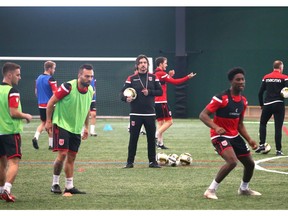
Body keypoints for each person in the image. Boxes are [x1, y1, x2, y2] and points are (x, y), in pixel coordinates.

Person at [199, 67, 261, 200]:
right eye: (238, 79)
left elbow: (240, 124)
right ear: (231, 82)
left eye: (243, 79)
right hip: (219, 136)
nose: (241, 82)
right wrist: (216, 127)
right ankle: (210, 190)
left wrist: (249, 140)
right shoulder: (220, 98)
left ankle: (244, 189)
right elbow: (203, 115)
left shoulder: (243, 102)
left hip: (234, 136)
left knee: (250, 164)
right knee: (232, 161)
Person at [45, 64, 94, 194]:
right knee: (62, 154)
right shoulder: (68, 87)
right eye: (87, 76)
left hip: (76, 128)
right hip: (62, 124)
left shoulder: (90, 90)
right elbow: (50, 103)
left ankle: (69, 186)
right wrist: (48, 121)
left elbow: (86, 109)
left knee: (72, 157)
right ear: (79, 75)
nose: (89, 79)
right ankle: (55, 183)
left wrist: (86, 127)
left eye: (91, 76)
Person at [121, 54, 163, 168]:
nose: (143, 64)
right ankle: (130, 162)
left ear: (148, 65)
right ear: (137, 65)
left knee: (151, 138)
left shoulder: (154, 77)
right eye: (140, 63)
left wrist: (149, 92)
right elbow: (122, 94)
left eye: (145, 62)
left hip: (150, 113)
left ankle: (152, 162)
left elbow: (160, 92)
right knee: (133, 139)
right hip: (135, 114)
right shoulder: (131, 78)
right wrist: (126, 98)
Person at [0, 62, 33, 202]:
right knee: (14, 162)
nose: (19, 78)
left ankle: (1, 190)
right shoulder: (12, 91)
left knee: (1, 163)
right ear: (9, 75)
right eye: (17, 75)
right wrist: (26, 115)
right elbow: (13, 112)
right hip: (10, 131)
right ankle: (7, 190)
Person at [154, 56, 197, 149]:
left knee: (160, 122)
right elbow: (176, 82)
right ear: (161, 64)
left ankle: (160, 144)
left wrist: (169, 75)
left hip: (156, 102)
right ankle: (156, 135)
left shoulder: (156, 73)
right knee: (169, 122)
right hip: (161, 102)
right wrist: (188, 77)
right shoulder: (161, 73)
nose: (167, 64)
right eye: (165, 63)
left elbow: (163, 82)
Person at [256, 60, 288, 156]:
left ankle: (262, 145)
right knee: (278, 128)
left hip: (267, 104)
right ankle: (278, 151)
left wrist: (261, 105)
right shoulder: (285, 78)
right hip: (278, 104)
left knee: (263, 124)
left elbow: (260, 93)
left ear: (273, 67)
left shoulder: (266, 77)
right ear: (281, 67)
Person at [32, 61, 57, 150]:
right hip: (50, 105)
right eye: (54, 68)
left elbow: (36, 92)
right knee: (51, 123)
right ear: (50, 69)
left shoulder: (38, 78)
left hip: (40, 104)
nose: (54, 70)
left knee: (44, 123)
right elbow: (55, 94)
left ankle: (36, 136)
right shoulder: (51, 79)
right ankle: (51, 144)